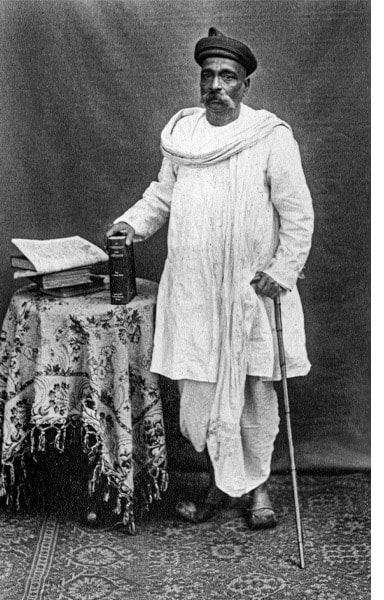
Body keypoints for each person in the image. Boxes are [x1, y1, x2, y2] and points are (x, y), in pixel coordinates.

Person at [106, 28, 314, 529]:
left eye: (228, 77)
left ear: (245, 85)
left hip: (251, 291)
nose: (216, 85)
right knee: (199, 392)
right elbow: (162, 195)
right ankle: (219, 487)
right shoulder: (183, 136)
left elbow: (298, 215)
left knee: (252, 393)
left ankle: (259, 491)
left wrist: (281, 272)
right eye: (208, 76)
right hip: (195, 290)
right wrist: (129, 225)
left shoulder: (269, 136)